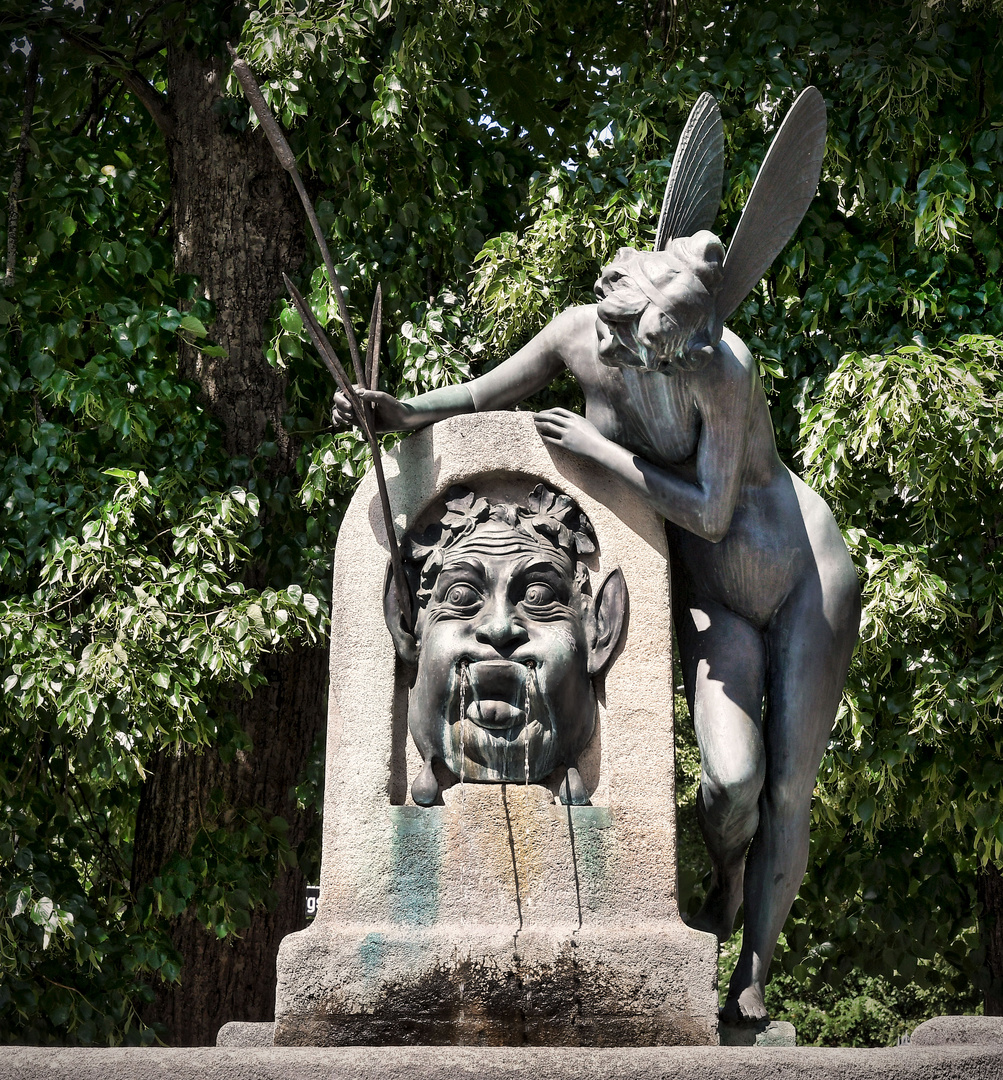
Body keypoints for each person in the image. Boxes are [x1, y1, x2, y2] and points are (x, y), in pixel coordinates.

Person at [332, 88, 860, 1025]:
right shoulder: (582, 333)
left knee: (785, 783)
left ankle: (753, 971)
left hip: (798, 571)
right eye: (641, 348)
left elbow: (705, 512)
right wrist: (400, 412)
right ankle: (729, 875)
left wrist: (603, 454)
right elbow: (484, 394)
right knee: (729, 786)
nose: (652, 365)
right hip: (717, 601)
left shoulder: (721, 367)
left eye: (671, 353)